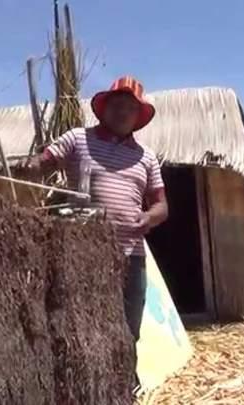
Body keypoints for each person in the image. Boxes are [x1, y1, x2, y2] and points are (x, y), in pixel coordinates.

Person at [24, 76, 168, 343]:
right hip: (83, 253)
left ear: (137, 116)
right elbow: (45, 161)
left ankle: (126, 371)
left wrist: (149, 217)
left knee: (129, 333)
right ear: (105, 108)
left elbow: (162, 206)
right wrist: (33, 165)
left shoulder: (146, 157)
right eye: (118, 105)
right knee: (84, 334)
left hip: (131, 256)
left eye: (131, 108)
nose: (123, 112)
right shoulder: (78, 138)